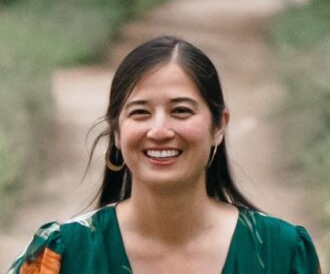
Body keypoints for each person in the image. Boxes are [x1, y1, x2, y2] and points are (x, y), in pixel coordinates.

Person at [8, 36, 321, 273]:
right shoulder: (62, 255)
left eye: (181, 111)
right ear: (117, 130)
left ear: (219, 126)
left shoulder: (283, 253)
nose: (159, 130)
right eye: (140, 112)